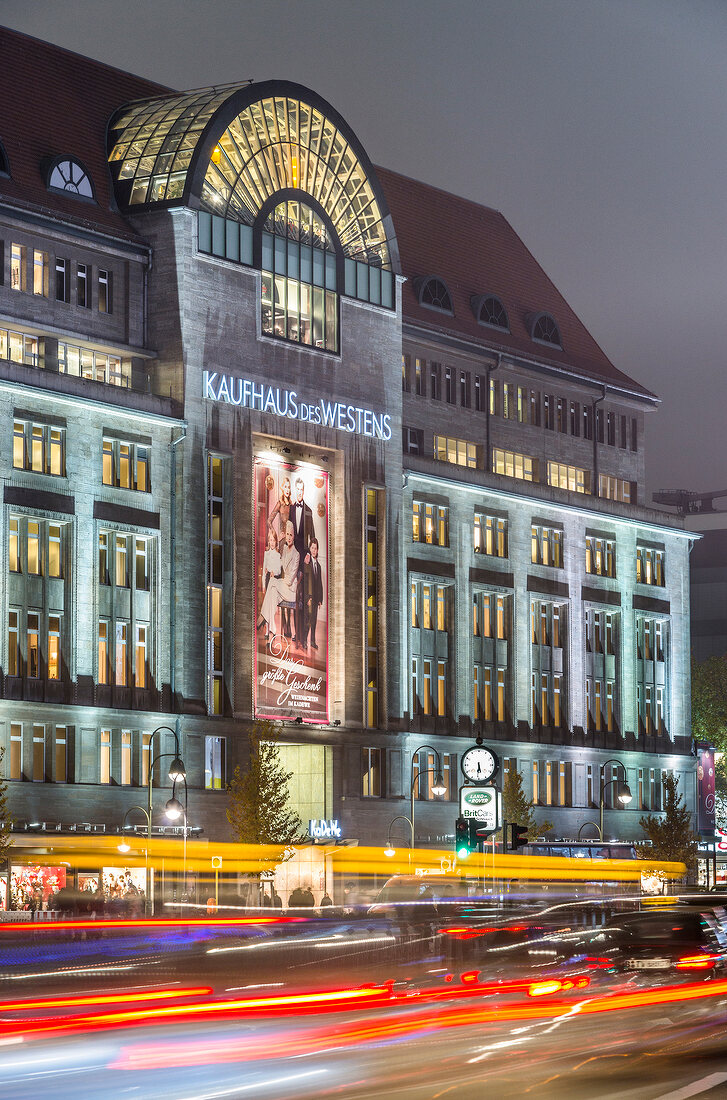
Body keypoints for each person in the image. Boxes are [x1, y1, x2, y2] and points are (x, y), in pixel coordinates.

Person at [258, 520, 299, 636]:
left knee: (272, 582)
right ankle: (272, 628)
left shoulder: (296, 554)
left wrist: (278, 580)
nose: (289, 537)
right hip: (282, 588)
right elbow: (279, 563)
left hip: (290, 591)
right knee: (272, 593)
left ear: (294, 536)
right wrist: (270, 569)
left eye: (291, 535)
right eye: (287, 534)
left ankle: (261, 618)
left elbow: (290, 579)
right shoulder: (285, 549)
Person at [290, 477, 314, 643]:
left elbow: (312, 537)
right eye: (297, 489)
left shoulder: (309, 511)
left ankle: (303, 634)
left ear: (304, 491)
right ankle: (294, 632)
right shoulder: (291, 508)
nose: (299, 492)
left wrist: (308, 556)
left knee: (303, 598)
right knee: (293, 597)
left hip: (303, 559)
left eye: (301, 489)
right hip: (292, 557)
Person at [302, 537, 324, 650]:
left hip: (316, 598)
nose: (314, 550)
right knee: (308, 620)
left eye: (316, 548)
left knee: (314, 620)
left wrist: (320, 599)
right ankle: (304, 641)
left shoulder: (318, 566)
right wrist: (308, 598)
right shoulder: (307, 563)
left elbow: (319, 583)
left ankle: (312, 641)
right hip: (309, 598)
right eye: (312, 548)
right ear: (310, 549)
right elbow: (305, 583)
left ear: (317, 550)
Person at [261, 526, 282, 609]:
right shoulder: (266, 554)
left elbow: (279, 570)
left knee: (273, 604)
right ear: (268, 541)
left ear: (276, 541)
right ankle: (267, 621)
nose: (272, 542)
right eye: (271, 540)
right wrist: (263, 585)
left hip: (274, 579)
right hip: (267, 579)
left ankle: (271, 620)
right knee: (267, 603)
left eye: (274, 540)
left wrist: (274, 573)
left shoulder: (278, 554)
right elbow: (264, 571)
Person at [267, 476, 292, 541]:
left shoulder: (292, 505)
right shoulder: (280, 504)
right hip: (283, 540)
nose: (287, 490)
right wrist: (275, 535)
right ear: (282, 488)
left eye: (288, 487)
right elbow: (269, 521)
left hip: (291, 540)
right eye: (285, 487)